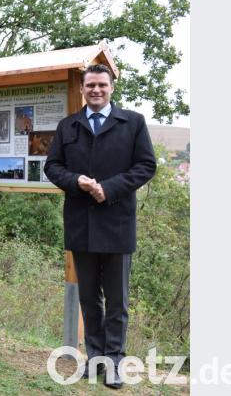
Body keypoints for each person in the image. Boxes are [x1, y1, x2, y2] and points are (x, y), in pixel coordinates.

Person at [44, 64, 156, 389]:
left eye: (101, 85)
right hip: (81, 224)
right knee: (90, 298)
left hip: (117, 223)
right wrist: (76, 181)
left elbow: (146, 165)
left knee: (117, 301)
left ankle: (115, 362)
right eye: (90, 85)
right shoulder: (68, 126)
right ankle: (94, 359)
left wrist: (109, 188)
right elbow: (53, 167)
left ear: (111, 87)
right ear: (82, 88)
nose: (96, 90)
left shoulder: (133, 123)